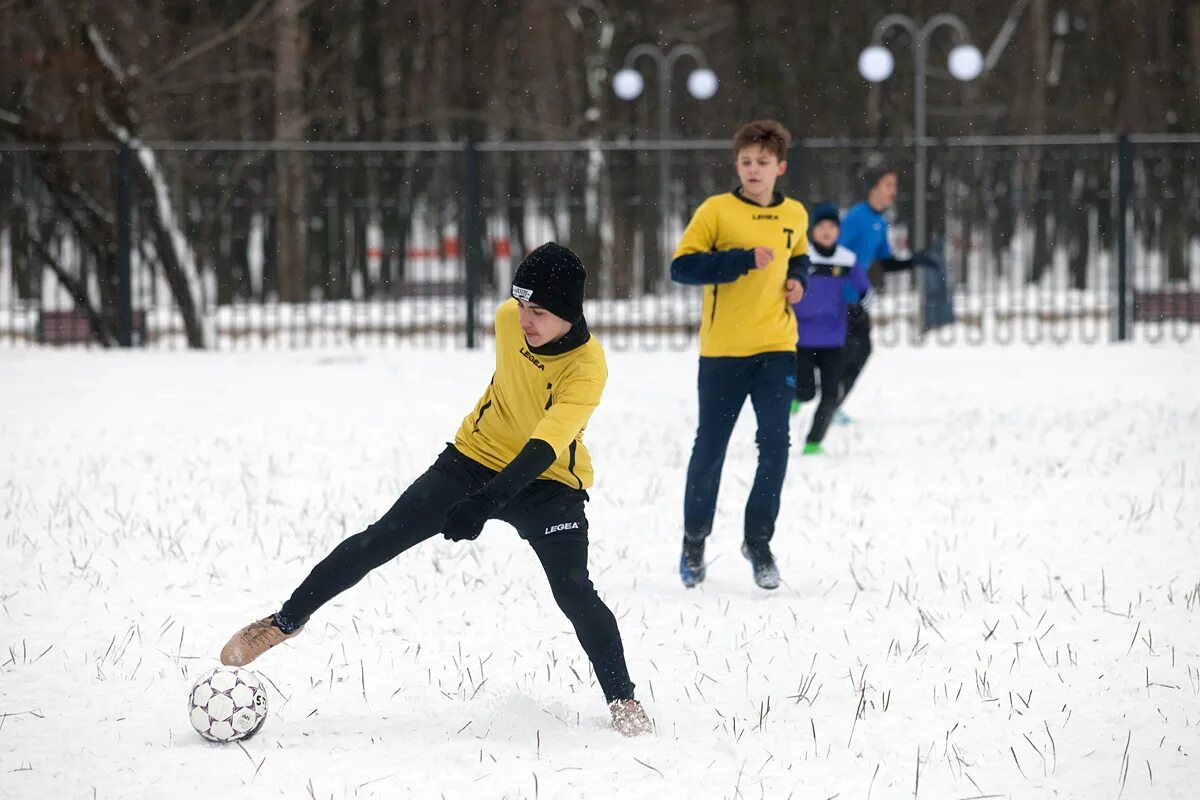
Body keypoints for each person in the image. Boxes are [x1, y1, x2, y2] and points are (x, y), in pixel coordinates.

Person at [218, 242, 652, 737]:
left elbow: (543, 447)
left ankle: (624, 700)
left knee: (574, 589)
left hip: (546, 481)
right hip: (472, 459)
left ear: (570, 314)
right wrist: (476, 490)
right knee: (376, 540)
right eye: (522, 305)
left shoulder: (588, 367)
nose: (525, 320)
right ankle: (282, 623)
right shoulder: (508, 320)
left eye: (539, 311)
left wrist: (486, 505)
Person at [669, 119, 809, 591]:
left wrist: (799, 281)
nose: (753, 170)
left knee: (775, 446)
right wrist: (740, 260)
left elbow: (800, 256)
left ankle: (759, 541)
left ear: (780, 168)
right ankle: (694, 539)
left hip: (777, 349)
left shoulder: (795, 215)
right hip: (724, 353)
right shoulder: (716, 211)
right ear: (737, 165)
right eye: (746, 162)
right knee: (710, 449)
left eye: (763, 163)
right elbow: (682, 268)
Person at [836, 166, 935, 421]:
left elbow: (886, 262)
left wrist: (916, 260)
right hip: (838, 298)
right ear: (873, 187)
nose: (893, 190)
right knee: (838, 352)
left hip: (857, 299)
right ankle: (805, 394)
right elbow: (835, 254)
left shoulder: (880, 221)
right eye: (888, 184)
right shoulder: (856, 218)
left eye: (894, 185)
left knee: (861, 351)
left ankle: (831, 403)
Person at [790, 203, 866, 454]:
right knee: (806, 391)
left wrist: (857, 308)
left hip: (834, 338)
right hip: (802, 338)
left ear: (838, 231)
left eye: (831, 227)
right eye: (821, 226)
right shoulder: (801, 258)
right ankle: (795, 397)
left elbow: (866, 292)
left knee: (832, 394)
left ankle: (814, 442)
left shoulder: (846, 259)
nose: (826, 231)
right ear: (812, 231)